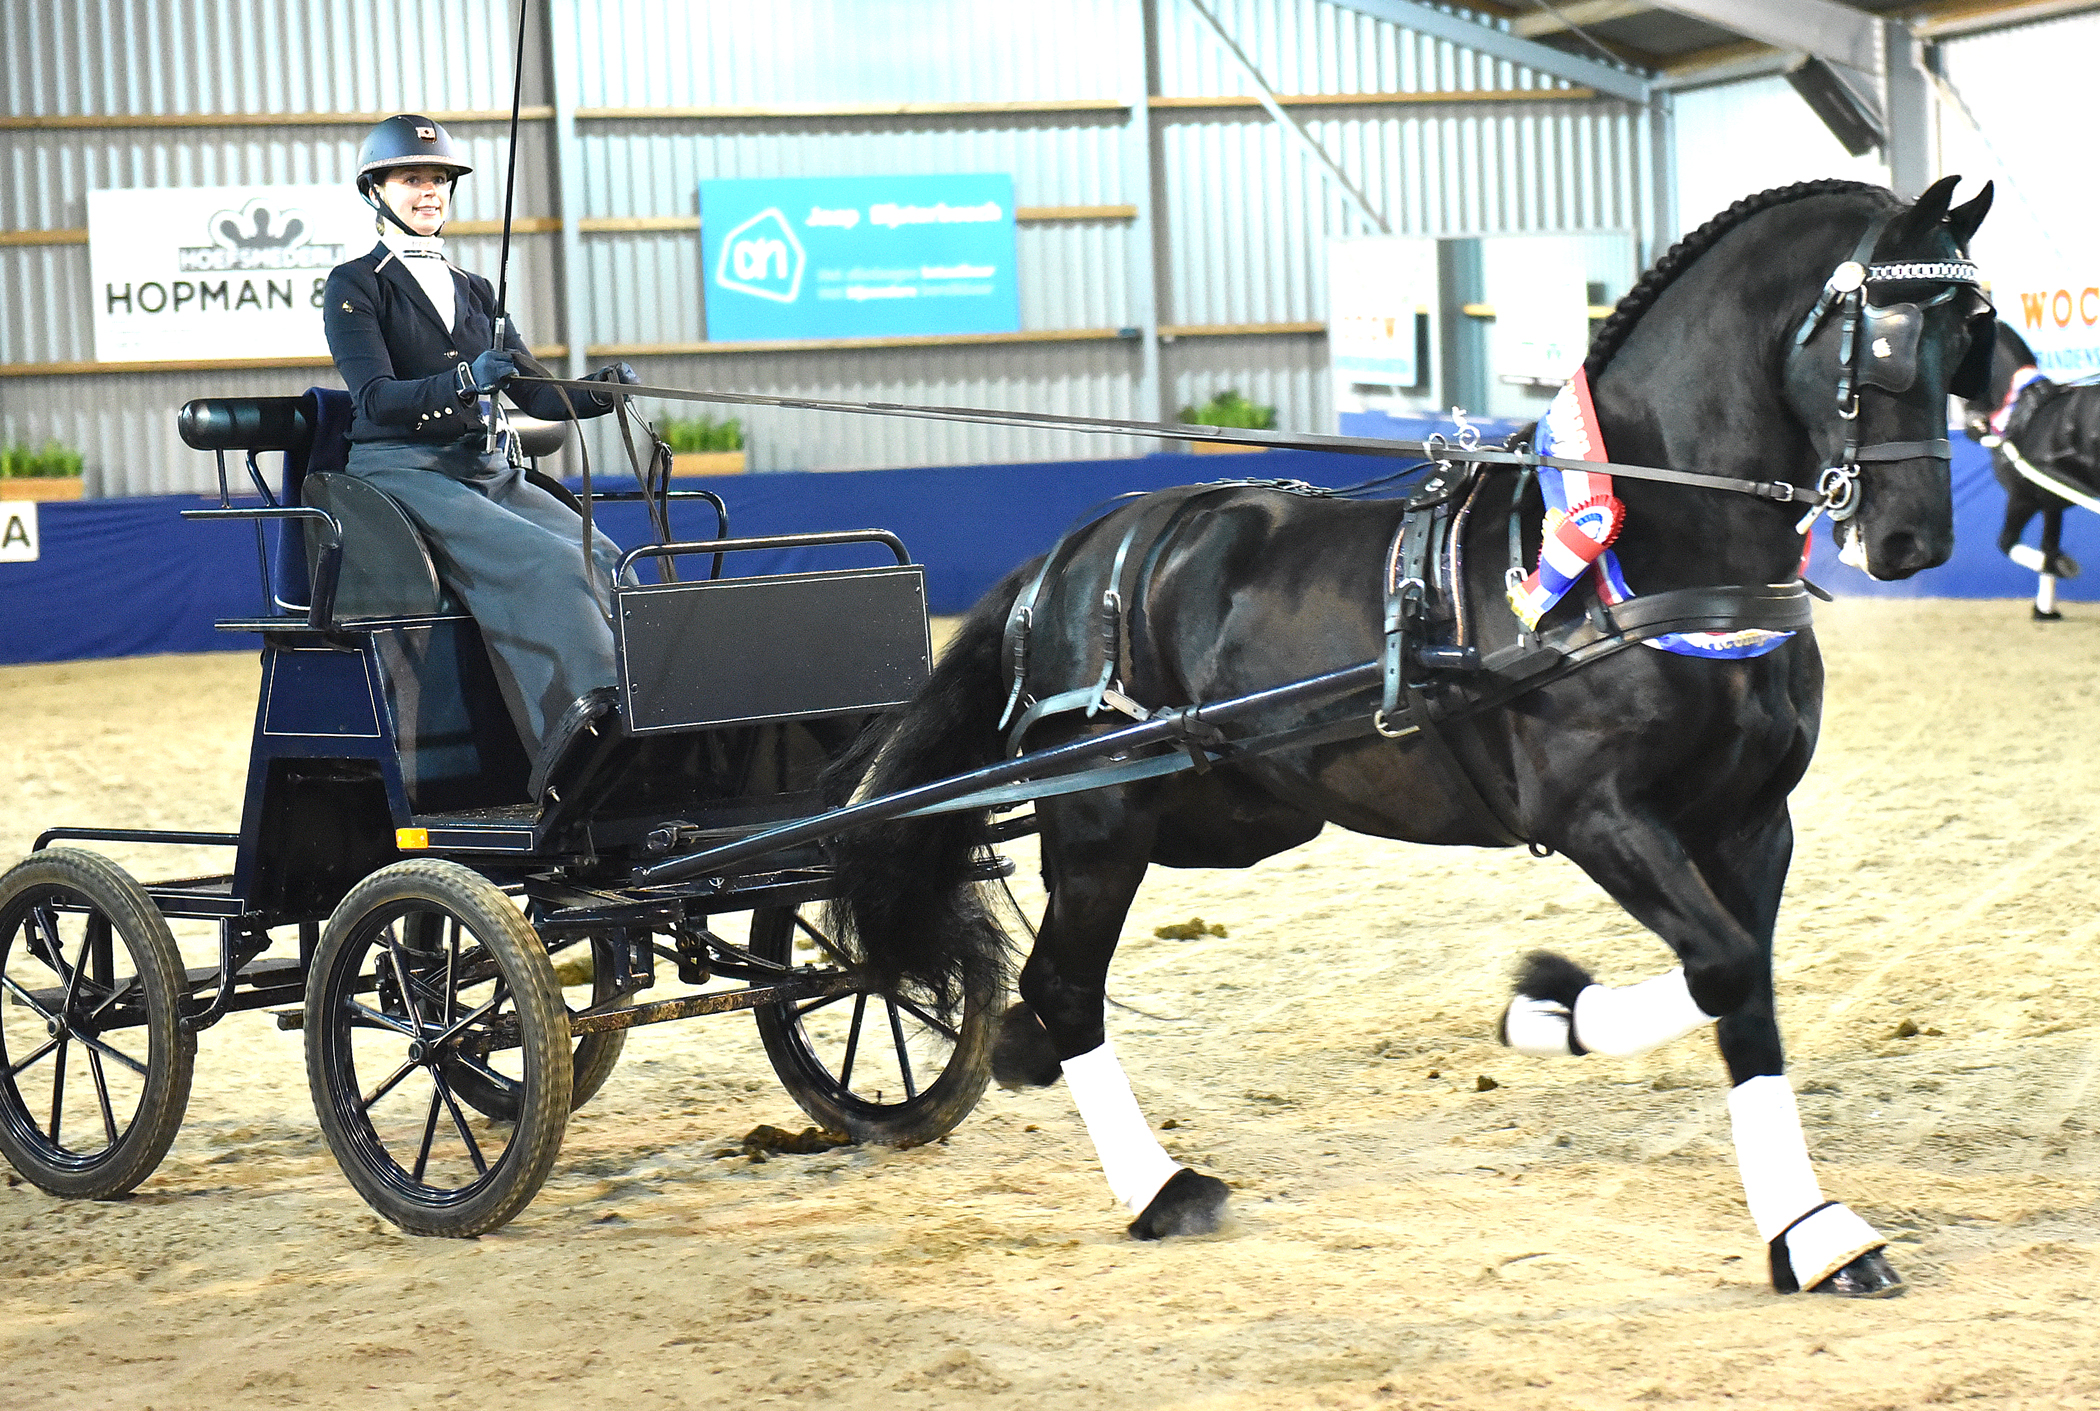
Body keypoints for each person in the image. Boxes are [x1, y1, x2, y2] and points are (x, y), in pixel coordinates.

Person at [322, 114, 633, 796]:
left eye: (438, 179)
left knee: (605, 555)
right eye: (412, 179)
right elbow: (374, 400)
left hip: (481, 469)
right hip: (402, 473)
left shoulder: (476, 291)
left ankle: (647, 718)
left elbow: (537, 394)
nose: (428, 191)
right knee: (552, 565)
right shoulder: (355, 285)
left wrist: (597, 394)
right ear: (376, 189)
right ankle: (578, 739)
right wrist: (464, 382)